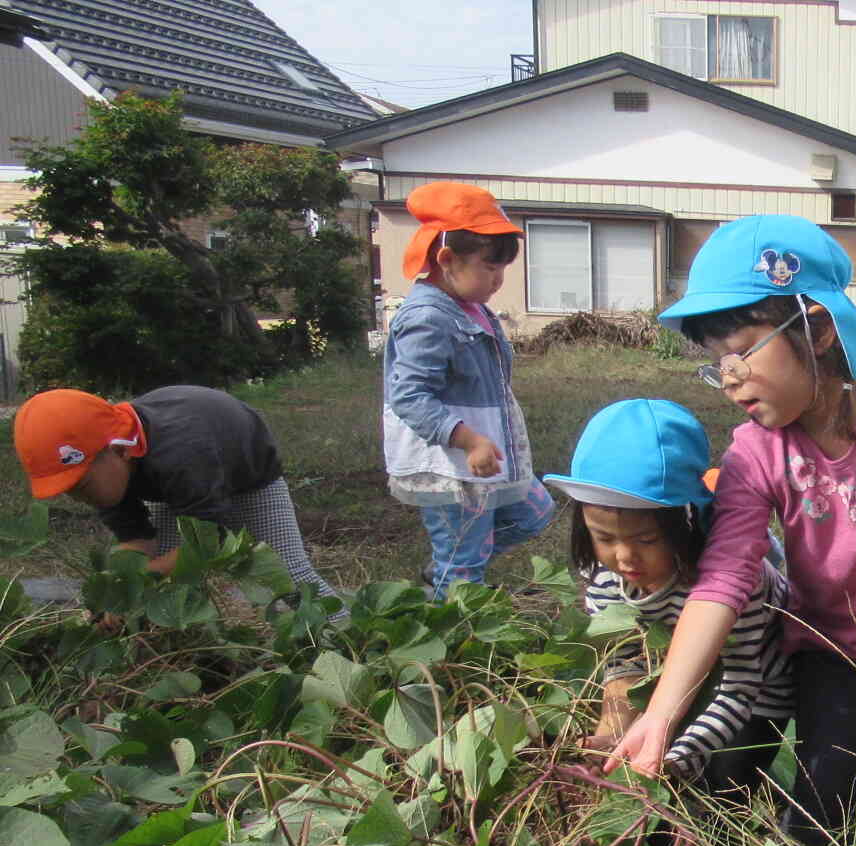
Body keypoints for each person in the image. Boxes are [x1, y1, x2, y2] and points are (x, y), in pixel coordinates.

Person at [607, 217, 856, 846]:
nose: (728, 380)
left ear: (815, 327)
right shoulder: (754, 453)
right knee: (821, 800)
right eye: (713, 364)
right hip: (824, 646)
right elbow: (723, 581)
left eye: (740, 354)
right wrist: (660, 713)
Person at [544, 399, 795, 791]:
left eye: (646, 539)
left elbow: (741, 684)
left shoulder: (736, 583)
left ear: (686, 521)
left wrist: (675, 759)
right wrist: (612, 732)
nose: (624, 557)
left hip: (757, 686)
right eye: (604, 537)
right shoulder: (607, 577)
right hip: (676, 683)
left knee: (725, 782)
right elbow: (625, 661)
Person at [11, 384, 338, 603]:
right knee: (171, 585)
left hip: (250, 476)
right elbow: (136, 540)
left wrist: (137, 582)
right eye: (69, 491)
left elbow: (209, 545)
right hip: (174, 484)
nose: (78, 500)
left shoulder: (182, 453)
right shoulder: (109, 469)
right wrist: (117, 592)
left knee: (291, 579)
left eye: (80, 486)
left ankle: (350, 638)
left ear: (120, 451)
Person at [382, 182, 553, 597]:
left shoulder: (471, 307)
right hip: (452, 467)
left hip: (484, 458)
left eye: (502, 269)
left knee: (534, 513)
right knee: (463, 561)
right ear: (446, 259)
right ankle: (454, 629)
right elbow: (409, 394)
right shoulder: (428, 318)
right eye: (489, 267)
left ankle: (449, 570)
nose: (498, 279)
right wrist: (467, 438)